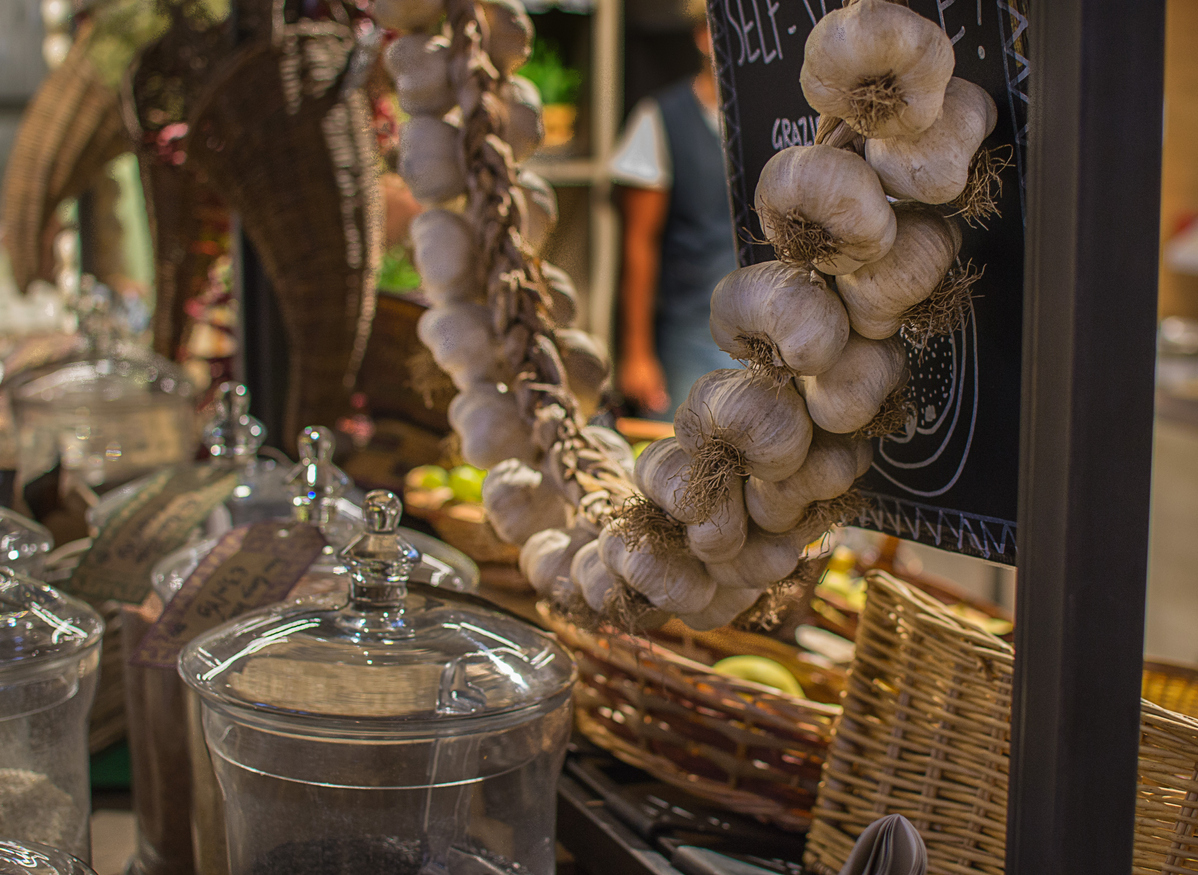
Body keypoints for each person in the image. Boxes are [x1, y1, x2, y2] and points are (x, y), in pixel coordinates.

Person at [610, 19, 739, 420]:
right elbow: (638, 243)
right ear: (703, 36)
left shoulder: (776, 120)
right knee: (686, 467)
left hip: (774, 333)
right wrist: (637, 353)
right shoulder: (661, 117)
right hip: (690, 334)